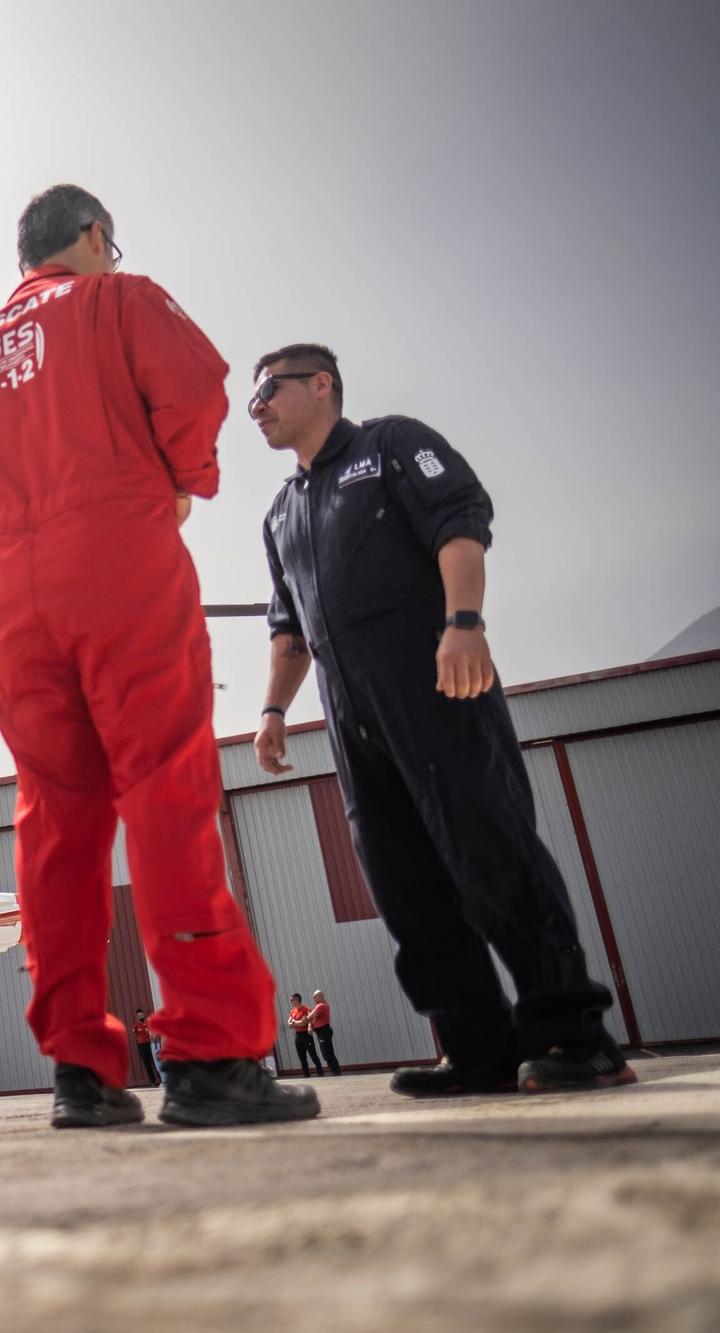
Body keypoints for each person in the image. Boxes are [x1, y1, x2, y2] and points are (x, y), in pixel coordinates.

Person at [0, 184, 317, 1130]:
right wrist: (186, 479)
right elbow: (196, 389)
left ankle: (82, 1072)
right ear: (95, 237)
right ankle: (212, 1055)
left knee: (55, 825)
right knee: (165, 791)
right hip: (119, 570)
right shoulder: (122, 297)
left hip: (15, 611)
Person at [250, 343, 634, 1098]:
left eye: (268, 390)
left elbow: (460, 521)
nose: (256, 408)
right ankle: (478, 1048)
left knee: (491, 852)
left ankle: (574, 1034)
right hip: (351, 713)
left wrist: (465, 620)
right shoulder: (280, 512)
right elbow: (289, 626)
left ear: (321, 384)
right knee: (404, 881)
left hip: (434, 681)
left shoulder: (391, 444)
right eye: (250, 400)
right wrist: (272, 709)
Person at [287, 993, 325, 1076]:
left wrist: (294, 1022)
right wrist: (297, 1023)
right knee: (302, 1057)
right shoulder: (292, 1011)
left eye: (291, 1000)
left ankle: (320, 1074)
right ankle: (306, 1075)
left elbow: (304, 1023)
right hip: (298, 1035)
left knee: (313, 1055)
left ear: (297, 1000)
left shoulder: (306, 1009)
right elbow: (289, 1024)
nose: (290, 1002)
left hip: (306, 1035)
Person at [308, 990, 342, 1075]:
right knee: (325, 1053)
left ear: (320, 996)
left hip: (324, 1031)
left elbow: (310, 1017)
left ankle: (336, 1072)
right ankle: (334, 1071)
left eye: (315, 997)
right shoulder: (319, 1006)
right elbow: (311, 1019)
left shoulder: (321, 1006)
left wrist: (309, 1015)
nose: (313, 999)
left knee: (328, 1053)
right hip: (320, 1032)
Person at [131, 1010, 159, 1086]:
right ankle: (152, 1081)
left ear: (144, 1014)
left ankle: (161, 1079)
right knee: (147, 1064)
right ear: (137, 1017)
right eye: (139, 1016)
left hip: (150, 1044)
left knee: (155, 1062)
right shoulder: (136, 1025)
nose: (140, 1017)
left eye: (141, 1015)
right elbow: (136, 1034)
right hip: (142, 1046)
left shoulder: (148, 1022)